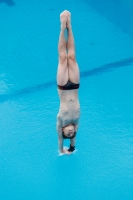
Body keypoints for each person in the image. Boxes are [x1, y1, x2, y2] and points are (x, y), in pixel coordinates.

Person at [56, 10, 80, 155]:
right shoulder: (76, 122)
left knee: (62, 58)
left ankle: (62, 27)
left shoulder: (61, 121)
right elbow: (73, 139)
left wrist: (62, 150)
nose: (70, 133)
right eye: (72, 134)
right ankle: (69, 26)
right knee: (72, 56)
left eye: (68, 134)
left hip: (63, 87)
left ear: (63, 130)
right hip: (75, 85)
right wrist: (72, 148)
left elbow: (60, 140)